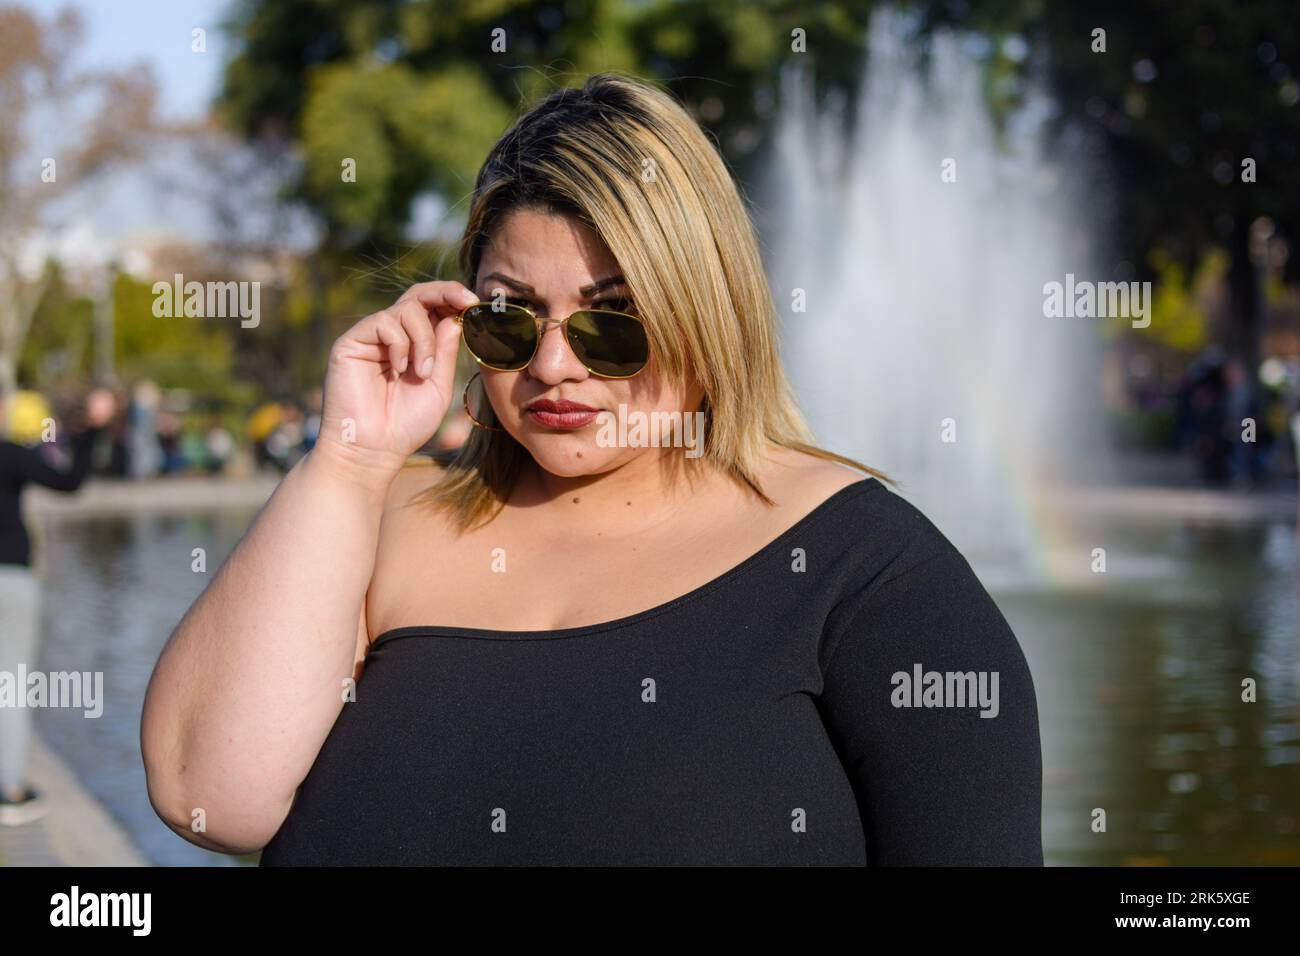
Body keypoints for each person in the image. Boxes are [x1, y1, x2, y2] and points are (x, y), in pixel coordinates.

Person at [141, 74, 1043, 865]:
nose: (553, 365)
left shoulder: (871, 574)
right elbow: (206, 797)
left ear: (710, 311)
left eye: (613, 320)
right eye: (509, 318)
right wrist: (348, 458)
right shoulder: (377, 523)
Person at [0, 387, 114, 825]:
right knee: (10, 685)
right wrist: (92, 430)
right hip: (9, 577)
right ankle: (9, 792)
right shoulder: (8, 454)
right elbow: (69, 482)